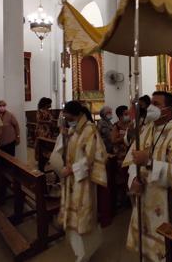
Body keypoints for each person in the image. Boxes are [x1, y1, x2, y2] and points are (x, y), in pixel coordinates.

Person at [123, 91, 172, 262]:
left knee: (168, 249)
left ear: (168, 110)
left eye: (156, 104)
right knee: (146, 245)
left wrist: (149, 162)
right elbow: (132, 160)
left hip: (167, 200)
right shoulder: (146, 130)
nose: (151, 107)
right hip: (144, 194)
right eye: (151, 103)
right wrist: (133, 179)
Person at [51, 101, 108, 262]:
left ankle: (85, 252)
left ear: (77, 115)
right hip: (71, 180)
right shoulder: (72, 129)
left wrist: (73, 169)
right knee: (73, 217)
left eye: (69, 118)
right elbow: (64, 150)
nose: (67, 121)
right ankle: (80, 250)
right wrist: (63, 134)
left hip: (83, 180)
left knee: (83, 216)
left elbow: (94, 157)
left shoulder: (90, 130)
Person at [111, 105, 132, 207]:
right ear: (120, 116)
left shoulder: (131, 124)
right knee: (121, 178)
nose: (128, 116)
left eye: (128, 113)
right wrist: (124, 138)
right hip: (120, 156)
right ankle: (122, 199)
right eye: (125, 114)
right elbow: (113, 140)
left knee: (129, 177)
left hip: (130, 154)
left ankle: (129, 197)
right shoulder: (116, 126)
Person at [35, 97, 54, 163]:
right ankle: (39, 159)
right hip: (41, 130)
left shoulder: (48, 111)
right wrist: (48, 122)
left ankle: (46, 158)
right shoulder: (40, 111)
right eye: (49, 104)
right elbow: (38, 120)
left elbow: (51, 118)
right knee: (41, 144)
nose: (50, 105)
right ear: (46, 104)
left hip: (48, 130)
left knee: (47, 145)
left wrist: (51, 121)